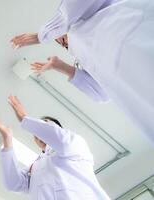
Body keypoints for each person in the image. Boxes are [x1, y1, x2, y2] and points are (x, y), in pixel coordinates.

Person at [10, 0, 154, 145]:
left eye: (61, 39)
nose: (63, 42)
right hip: (135, 86)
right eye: (63, 44)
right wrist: (59, 65)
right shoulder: (84, 55)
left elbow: (76, 6)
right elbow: (102, 94)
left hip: (132, 33)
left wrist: (43, 35)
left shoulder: (82, 23)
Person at [0, 95, 110, 200]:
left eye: (46, 126)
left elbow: (62, 141)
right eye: (36, 135)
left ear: (59, 129)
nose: (39, 135)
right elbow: (13, 183)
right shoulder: (35, 166)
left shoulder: (75, 144)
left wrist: (25, 118)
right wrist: (7, 141)